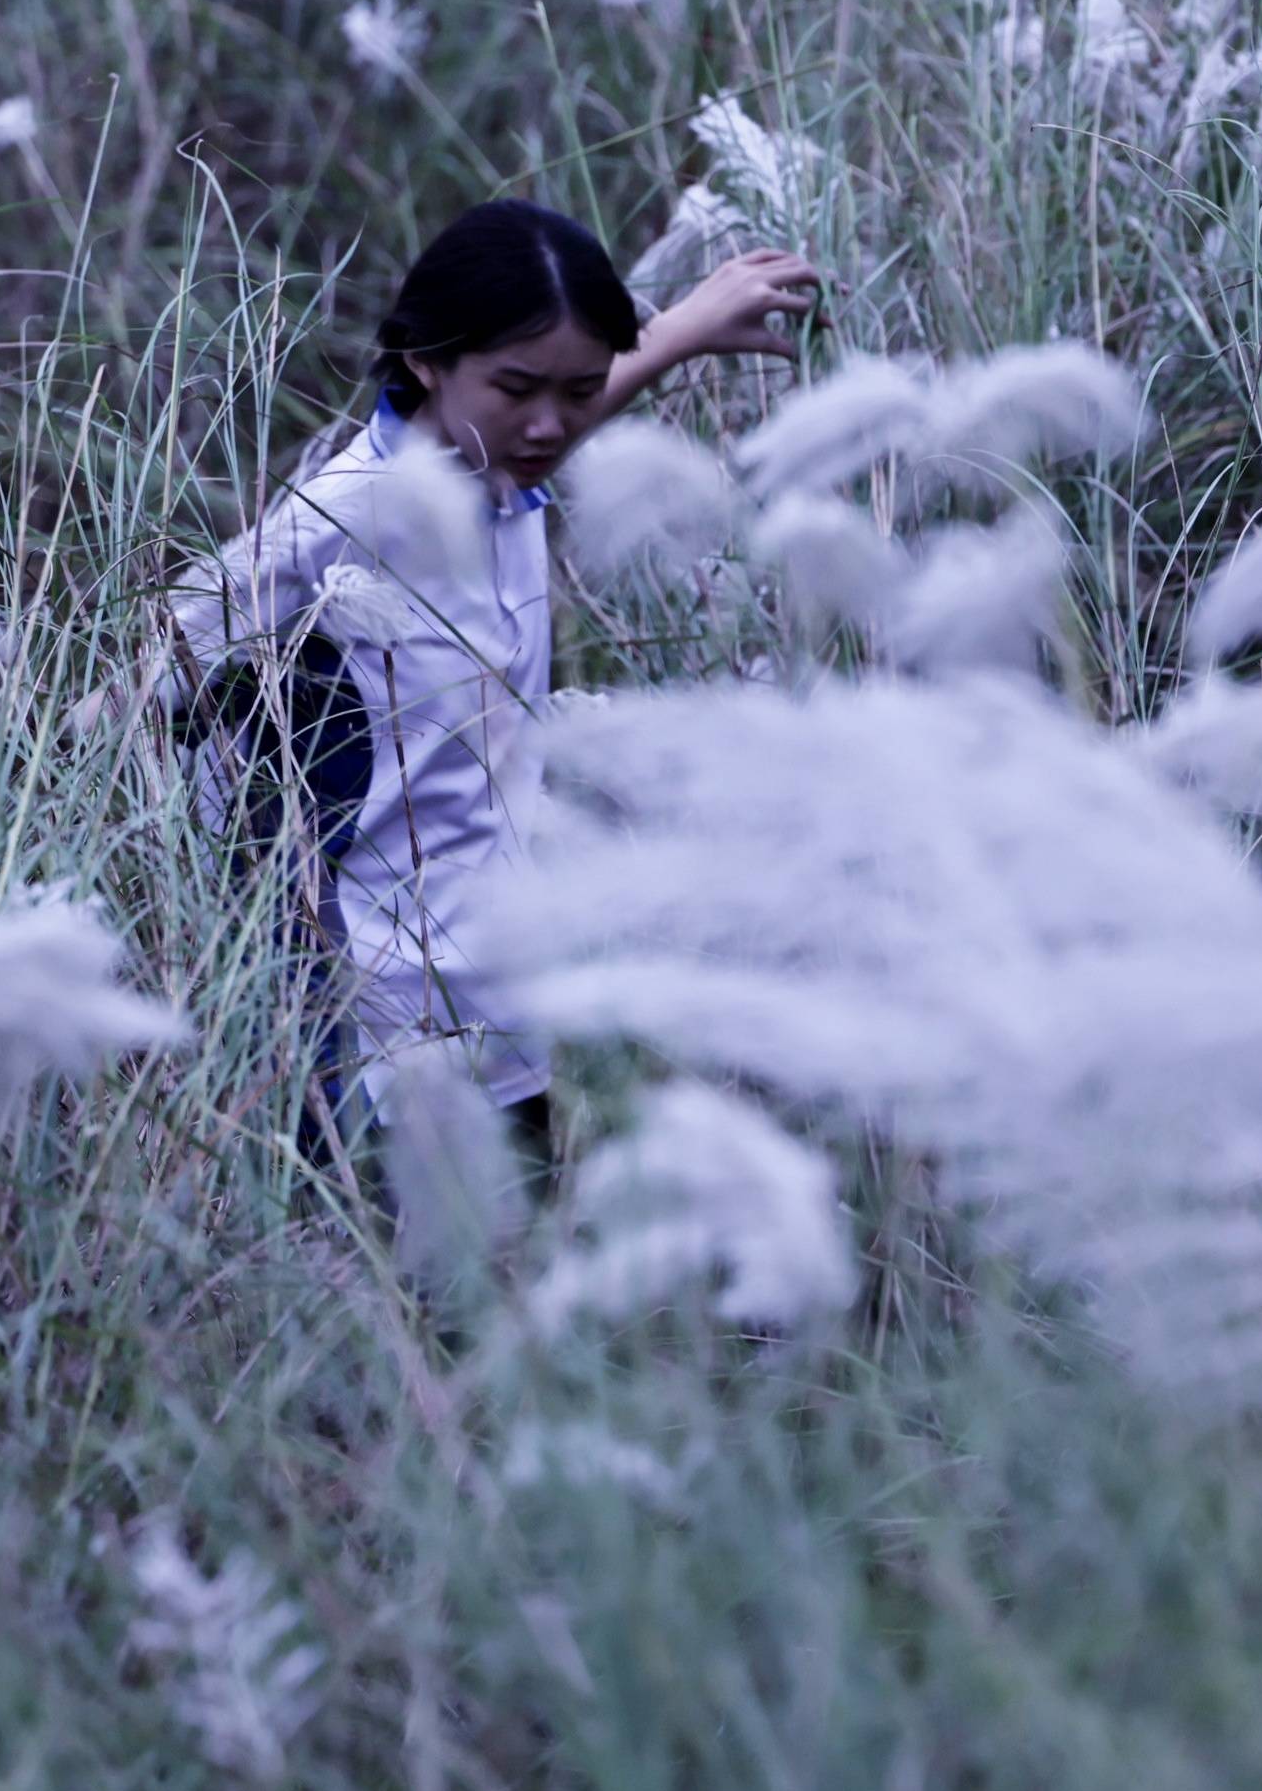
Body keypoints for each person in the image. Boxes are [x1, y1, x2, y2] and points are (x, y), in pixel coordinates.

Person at [164, 197, 819, 1139]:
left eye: (580, 393)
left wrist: (678, 331)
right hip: (374, 1043)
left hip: (511, 1011)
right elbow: (135, 691)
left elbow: (552, 405)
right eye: (517, 390)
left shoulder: (498, 471)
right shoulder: (335, 521)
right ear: (426, 360)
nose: (551, 426)